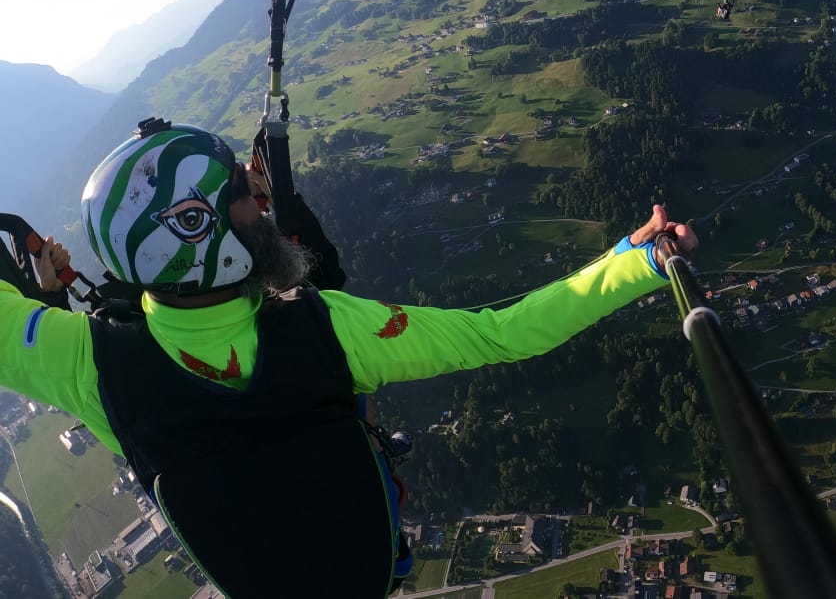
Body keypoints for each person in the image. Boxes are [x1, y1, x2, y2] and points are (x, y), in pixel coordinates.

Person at [1, 117, 696, 598]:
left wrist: (41, 293)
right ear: (194, 231)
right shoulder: (330, 328)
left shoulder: (90, 367)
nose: (260, 206)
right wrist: (635, 263)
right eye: (243, 197)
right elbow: (504, 333)